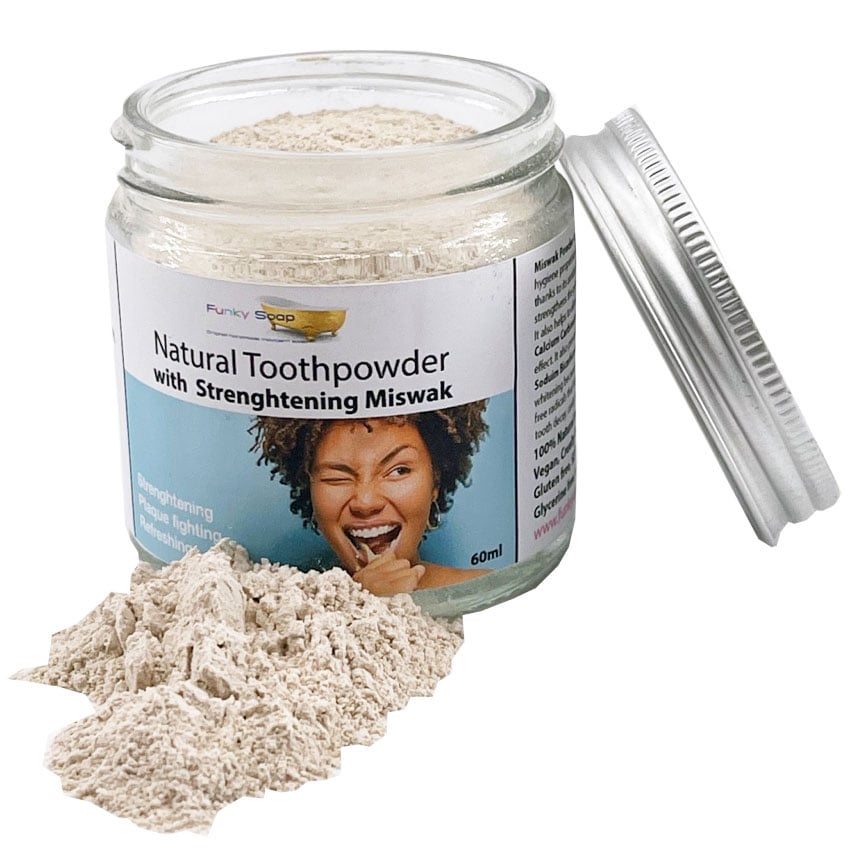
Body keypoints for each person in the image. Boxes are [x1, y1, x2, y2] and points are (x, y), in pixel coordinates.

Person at [250, 403, 491, 595]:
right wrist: (364, 599)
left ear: (435, 483)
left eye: (398, 471)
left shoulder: (482, 590)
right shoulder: (284, 607)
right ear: (308, 489)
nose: (365, 503)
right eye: (336, 478)